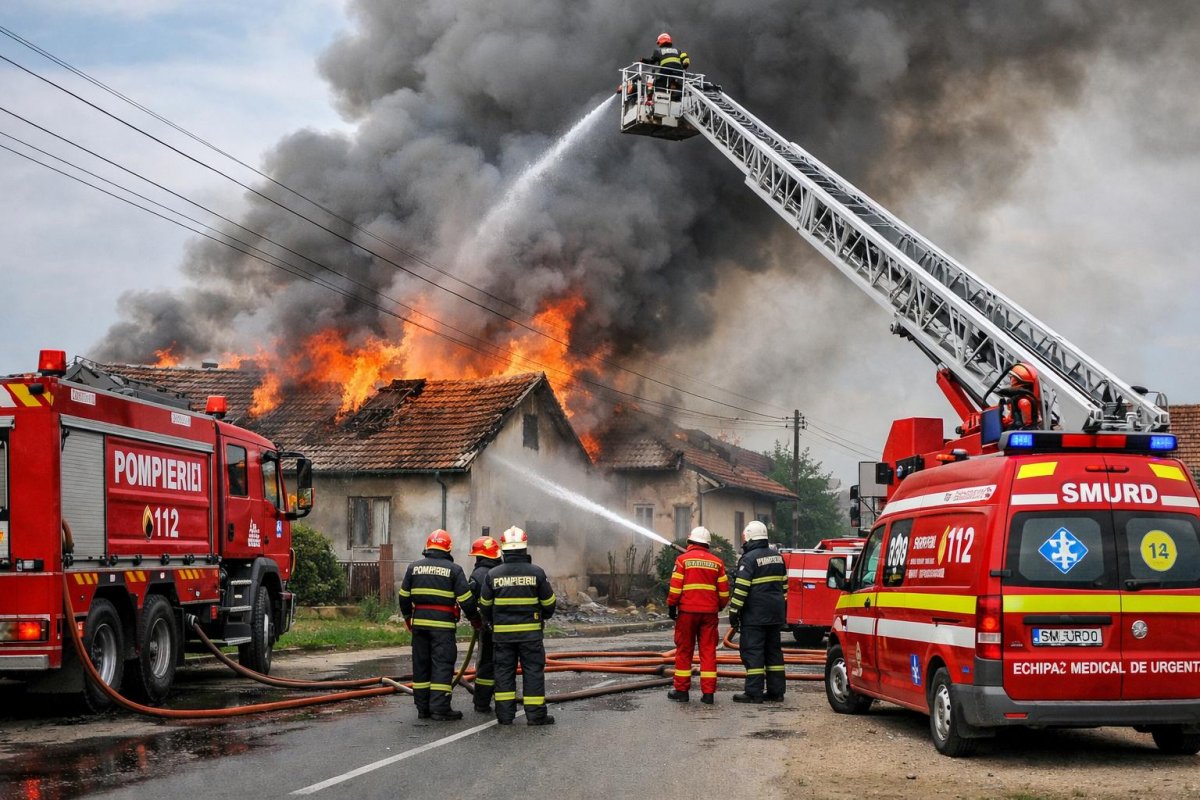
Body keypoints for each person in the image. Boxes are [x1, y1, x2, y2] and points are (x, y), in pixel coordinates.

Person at [398, 529, 478, 721]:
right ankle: (440, 709)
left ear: (428, 546)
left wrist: (408, 617)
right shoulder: (454, 570)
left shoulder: (413, 568)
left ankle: (423, 709)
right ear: (448, 548)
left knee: (421, 665)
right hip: (442, 628)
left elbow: (403, 596)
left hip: (420, 626)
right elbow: (466, 600)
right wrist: (476, 620)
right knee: (442, 664)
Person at [480, 526, 557, 726]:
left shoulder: (493, 574)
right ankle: (536, 716)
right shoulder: (537, 573)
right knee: (532, 672)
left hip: (503, 637)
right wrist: (542, 617)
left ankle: (505, 716)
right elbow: (549, 604)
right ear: (524, 549)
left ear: (504, 550)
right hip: (531, 635)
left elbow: (485, 606)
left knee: (504, 673)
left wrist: (492, 623)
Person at [665, 526, 730, 705]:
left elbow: (675, 588)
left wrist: (672, 606)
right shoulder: (717, 562)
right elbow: (724, 594)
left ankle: (682, 691)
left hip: (687, 613)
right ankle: (708, 694)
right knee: (708, 651)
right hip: (709, 614)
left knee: (684, 651)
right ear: (707, 543)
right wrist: (717, 607)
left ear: (690, 541)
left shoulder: (682, 560)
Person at [728, 520, 787, 703]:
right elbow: (784, 587)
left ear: (750, 537)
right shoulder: (777, 557)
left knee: (753, 652)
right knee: (773, 653)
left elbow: (742, 589)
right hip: (775, 614)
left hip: (755, 616)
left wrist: (734, 611)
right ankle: (776, 692)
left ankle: (754, 693)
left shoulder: (748, 559)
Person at [466, 534, 502, 713]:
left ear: (481, 557)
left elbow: (470, 600)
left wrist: (475, 620)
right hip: (505, 627)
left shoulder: (477, 574)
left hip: (486, 627)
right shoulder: (503, 571)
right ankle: (504, 700)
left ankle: (482, 703)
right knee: (505, 663)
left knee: (485, 664)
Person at [643, 31, 689, 99]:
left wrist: (643, 60)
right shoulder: (678, 51)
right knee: (680, 86)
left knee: (656, 83)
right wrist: (684, 66)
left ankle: (651, 96)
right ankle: (678, 93)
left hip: (665, 72)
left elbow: (652, 61)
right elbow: (685, 58)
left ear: (661, 41)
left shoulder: (658, 51)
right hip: (679, 73)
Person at [1004, 363, 1041, 430]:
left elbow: (1027, 422)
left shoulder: (1023, 401)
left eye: (1012, 377)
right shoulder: (1022, 396)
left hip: (1021, 431)